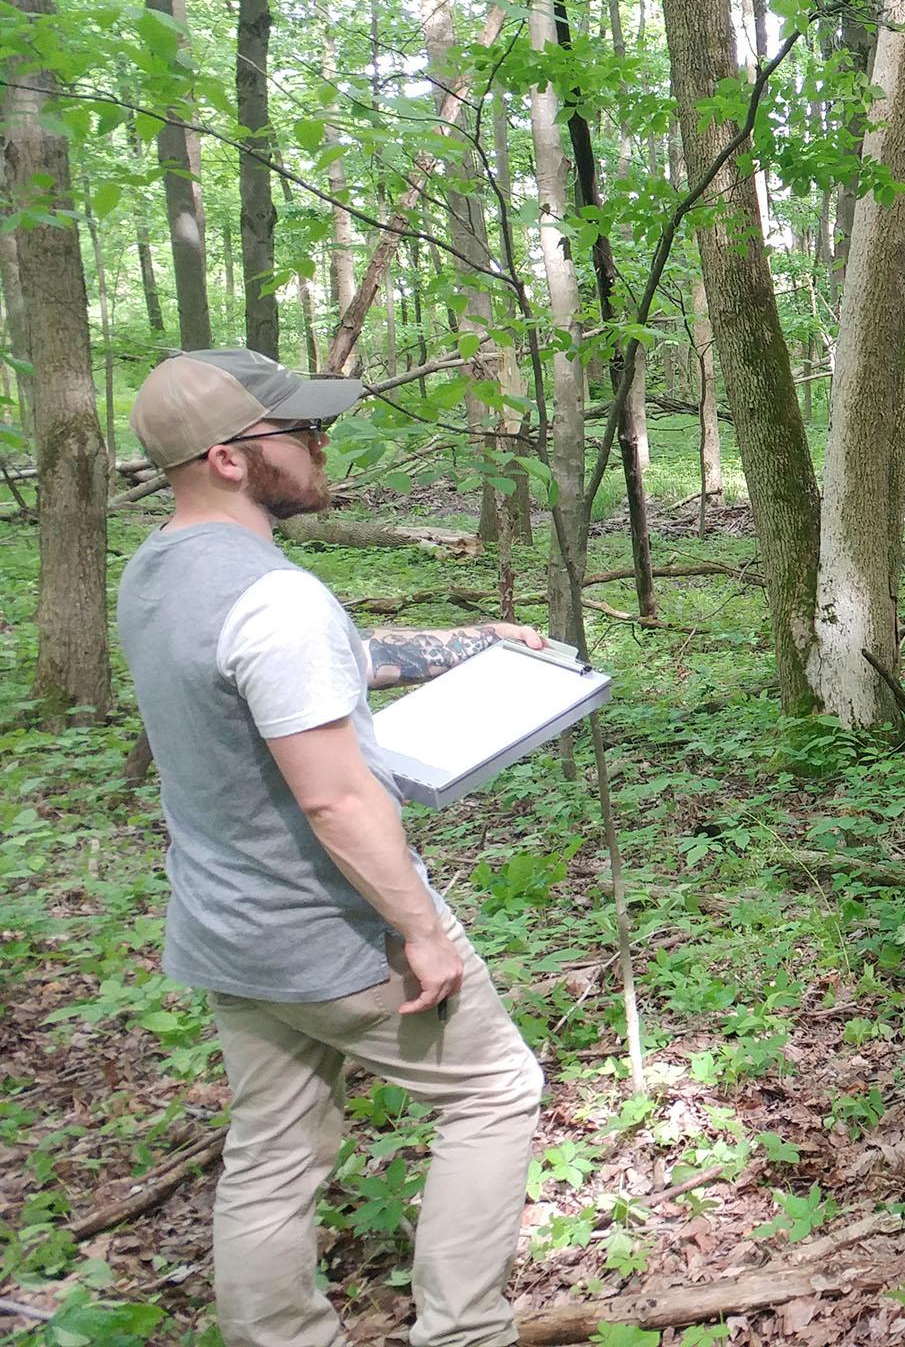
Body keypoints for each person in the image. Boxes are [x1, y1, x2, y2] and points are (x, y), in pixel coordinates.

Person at [112, 350, 548, 1347]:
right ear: (228, 457)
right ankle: (464, 1330)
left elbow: (323, 668)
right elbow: (338, 798)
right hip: (334, 938)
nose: (321, 448)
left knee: (271, 1150)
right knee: (494, 1089)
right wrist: (420, 930)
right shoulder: (278, 600)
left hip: (228, 930)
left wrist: (470, 639)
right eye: (301, 432)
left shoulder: (157, 573)